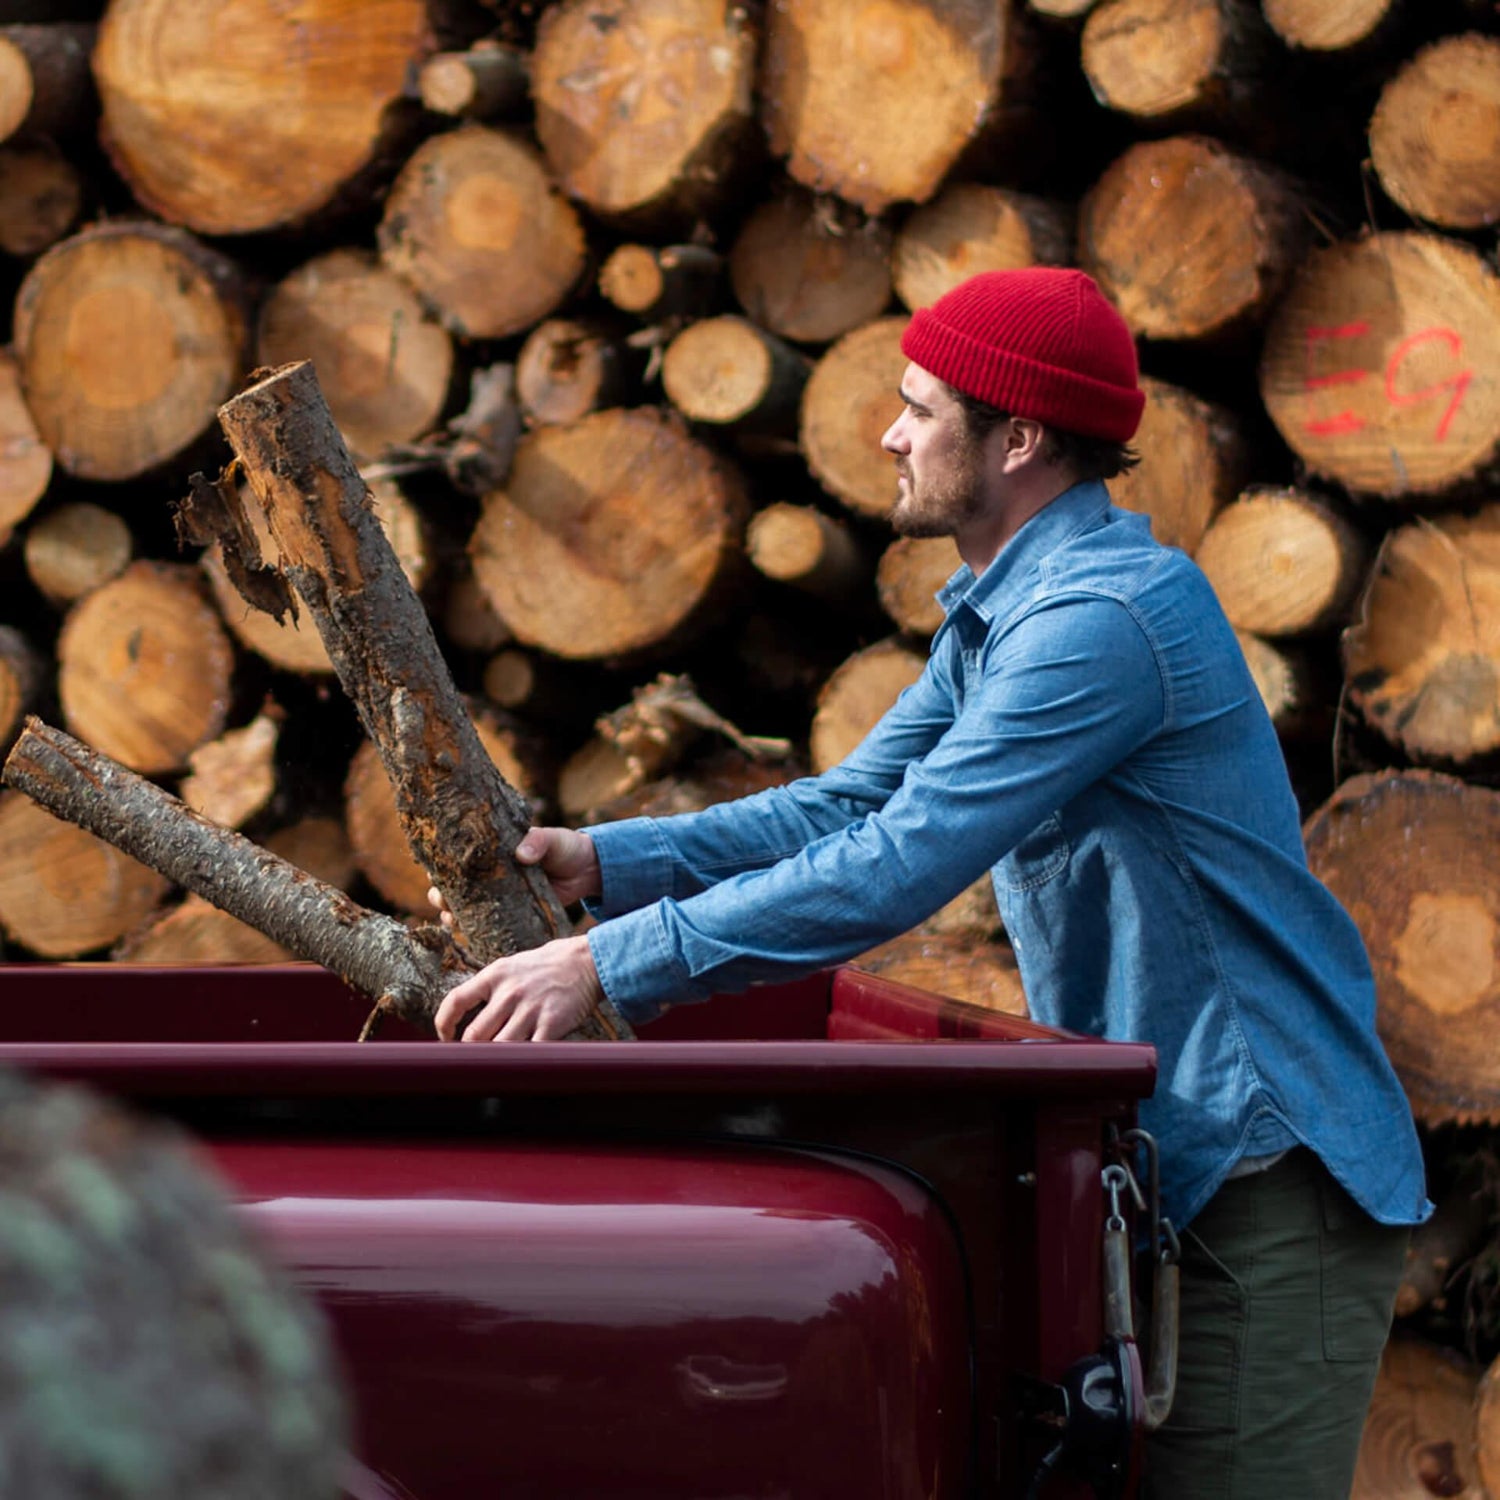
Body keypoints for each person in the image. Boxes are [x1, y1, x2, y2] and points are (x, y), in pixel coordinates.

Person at [433, 267, 1428, 1496]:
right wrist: (608, 866)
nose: (889, 433)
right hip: (1187, 1175)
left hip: (1266, 1180)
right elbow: (850, 804)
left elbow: (896, 866)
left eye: (920, 407)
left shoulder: (1100, 624)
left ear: (1016, 437)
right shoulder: (1011, 613)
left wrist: (605, 965)